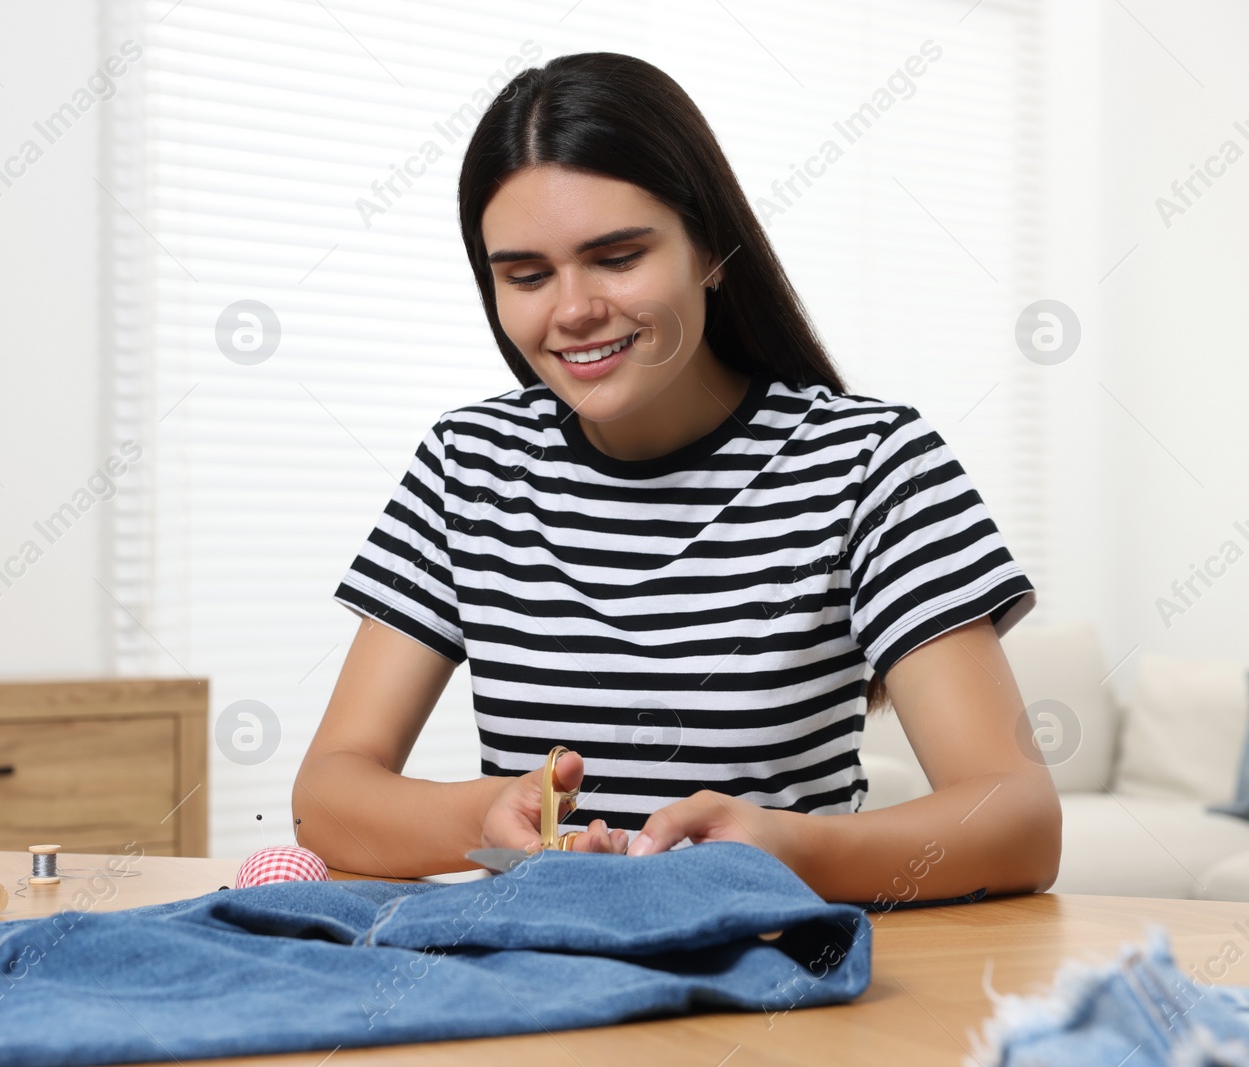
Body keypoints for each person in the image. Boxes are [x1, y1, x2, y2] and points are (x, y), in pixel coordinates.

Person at [292, 51, 1061, 904]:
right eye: (527, 275)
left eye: (617, 257)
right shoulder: (468, 465)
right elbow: (326, 796)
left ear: (714, 251)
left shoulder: (871, 463)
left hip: (779, 984)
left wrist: (787, 849)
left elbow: (1019, 817)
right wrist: (484, 816)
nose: (573, 309)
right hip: (541, 978)